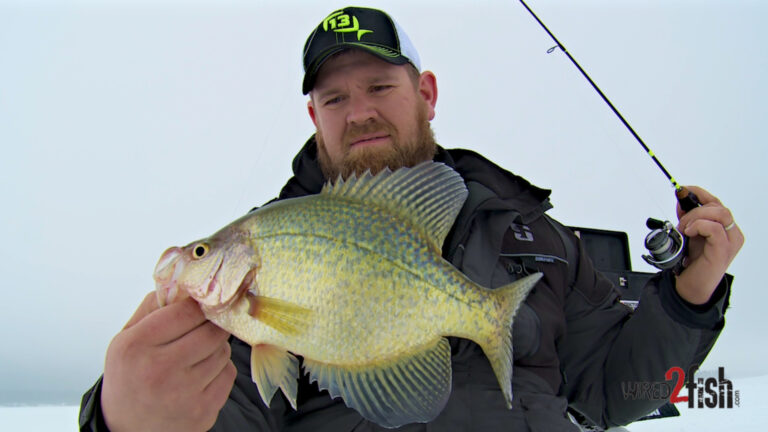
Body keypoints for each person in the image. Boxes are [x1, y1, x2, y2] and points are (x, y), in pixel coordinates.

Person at [79, 6, 744, 432]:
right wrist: (124, 420)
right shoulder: (267, 246)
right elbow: (229, 410)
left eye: (379, 86)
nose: (358, 110)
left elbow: (614, 392)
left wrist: (690, 298)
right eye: (334, 96)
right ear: (314, 117)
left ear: (425, 93)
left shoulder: (539, 239)